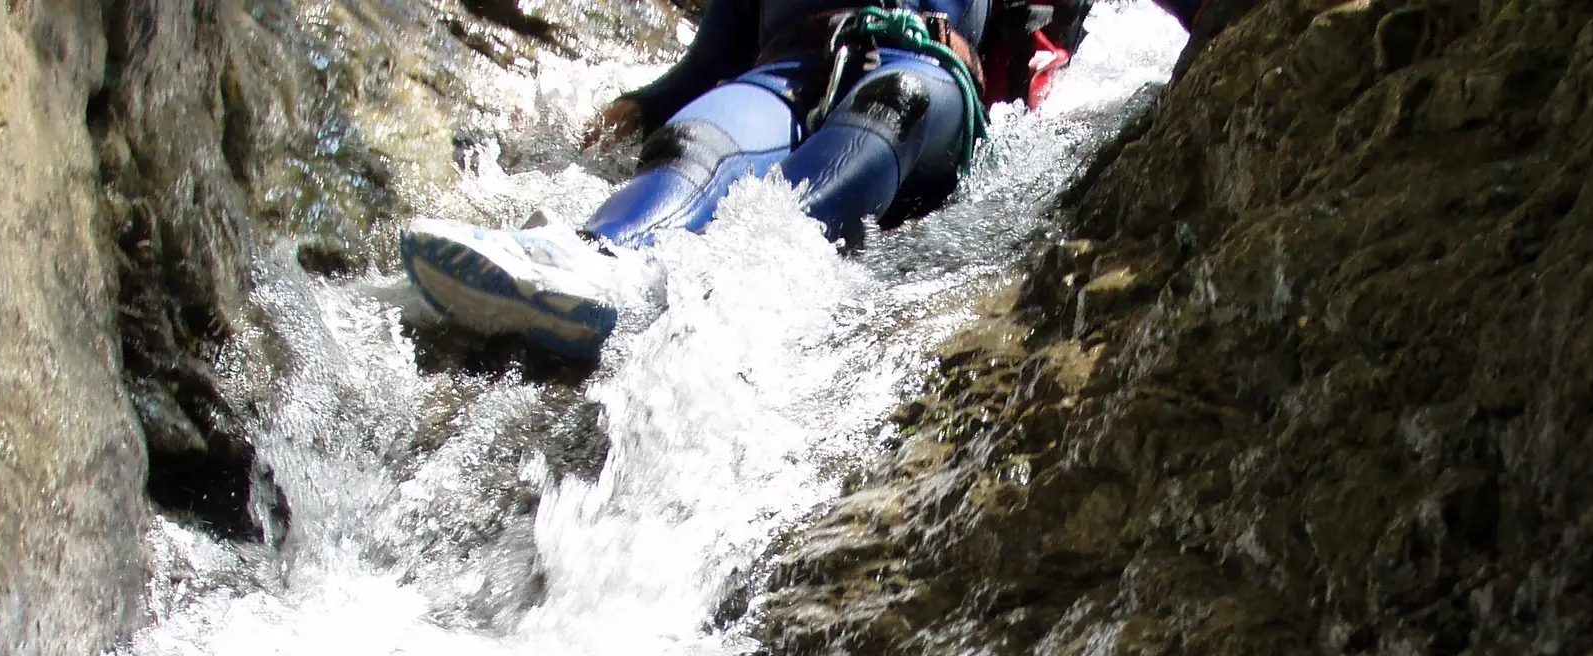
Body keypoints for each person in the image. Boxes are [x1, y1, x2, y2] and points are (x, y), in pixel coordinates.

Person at [400, 0, 1201, 358]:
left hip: (922, 77)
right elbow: (708, 64)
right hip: (782, 73)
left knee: (892, 104)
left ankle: (711, 286)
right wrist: (637, 107)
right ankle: (595, 264)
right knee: (694, 139)